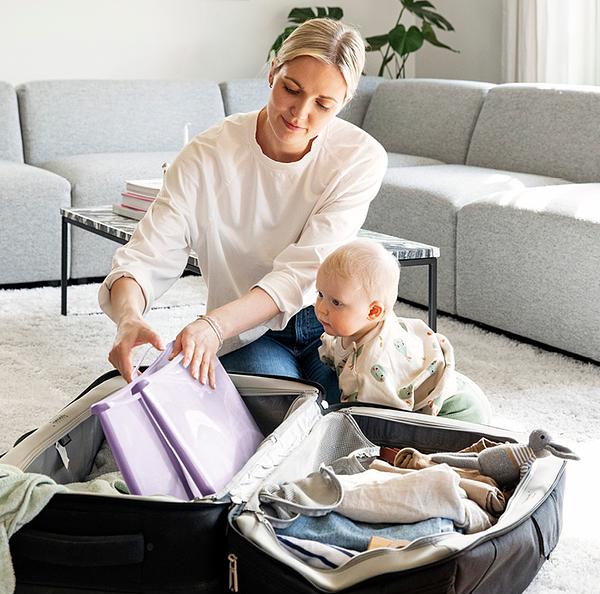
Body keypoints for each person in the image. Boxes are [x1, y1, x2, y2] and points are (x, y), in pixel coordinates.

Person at [98, 18, 387, 402]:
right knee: (288, 416)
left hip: (335, 326)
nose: (300, 113)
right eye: (291, 89)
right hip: (248, 332)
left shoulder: (359, 158)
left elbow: (302, 273)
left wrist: (212, 326)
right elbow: (146, 255)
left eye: (323, 104)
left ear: (345, 102)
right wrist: (129, 318)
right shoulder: (209, 155)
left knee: (372, 414)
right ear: (272, 72)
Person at [315, 239, 492, 423]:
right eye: (320, 294)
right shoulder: (363, 325)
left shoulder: (370, 371)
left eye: (336, 302)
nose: (321, 308)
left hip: (457, 412)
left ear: (373, 311)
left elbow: (378, 425)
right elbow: (336, 349)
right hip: (456, 386)